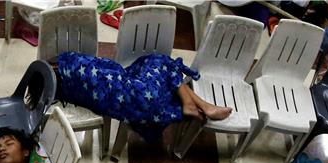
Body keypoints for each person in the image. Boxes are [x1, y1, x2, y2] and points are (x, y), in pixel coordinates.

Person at [56, 50, 233, 140]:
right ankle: (196, 103)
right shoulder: (70, 61)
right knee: (159, 59)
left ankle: (191, 105)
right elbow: (113, 67)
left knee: (160, 92)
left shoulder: (71, 93)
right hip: (142, 92)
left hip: (138, 109)